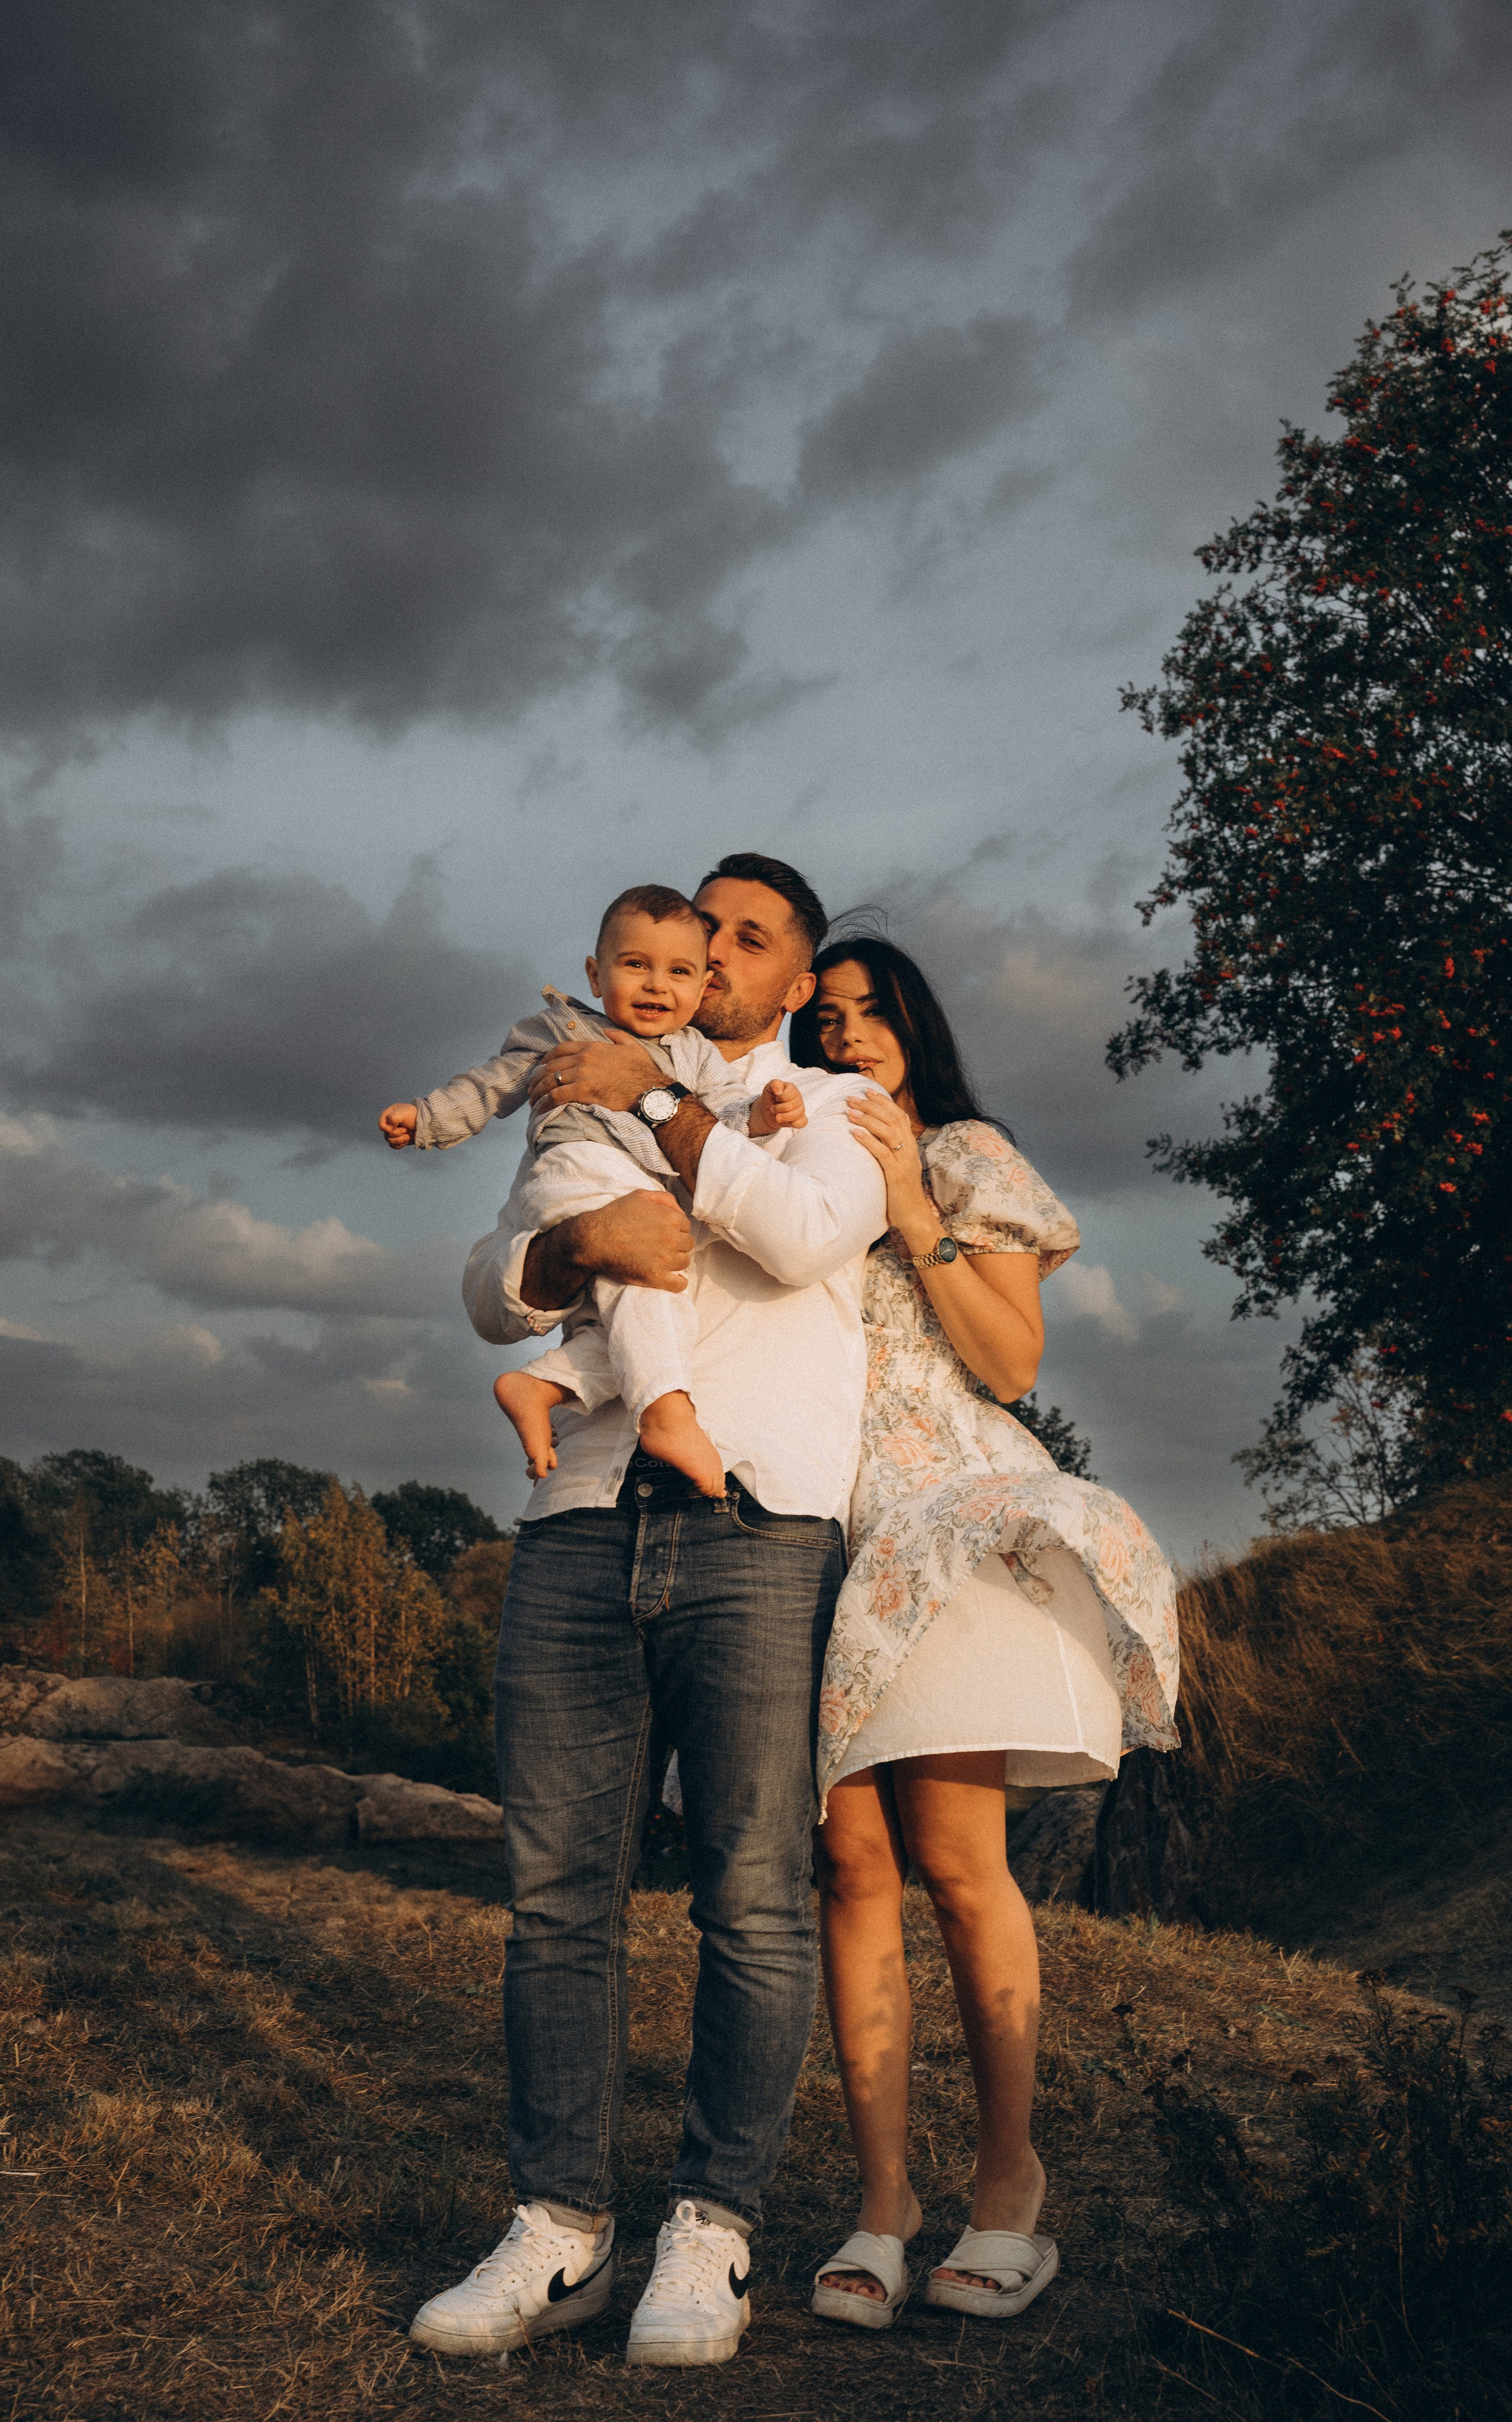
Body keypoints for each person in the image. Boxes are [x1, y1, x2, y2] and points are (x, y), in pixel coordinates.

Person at [408, 855, 888, 2369]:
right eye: (702, 932)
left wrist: (662, 1102)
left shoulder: (834, 1109)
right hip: (575, 1515)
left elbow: (797, 1240)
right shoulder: (593, 1074)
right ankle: (558, 2225)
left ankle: (710, 2224)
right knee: (556, 1893)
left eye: (751, 939)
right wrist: (574, 1249)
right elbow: (493, 1284)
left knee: (750, 1892)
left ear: (797, 976)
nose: (716, 957)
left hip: (755, 1521)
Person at [793, 937, 1178, 2329]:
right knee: (849, 1867)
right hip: (808, 1524)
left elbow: (1010, 1364)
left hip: (934, 1522)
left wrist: (910, 1205)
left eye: (870, 1012)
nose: (846, 1036)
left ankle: (1008, 2185)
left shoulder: (965, 1155)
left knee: (958, 1865)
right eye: (822, 1019)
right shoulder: (789, 1163)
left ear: (913, 1026)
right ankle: (883, 2201)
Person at [379, 883, 803, 1495]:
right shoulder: (565, 1028)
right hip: (579, 1166)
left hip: (644, 1188)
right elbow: (492, 1084)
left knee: (656, 1308)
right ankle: (667, 1414)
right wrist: (427, 1118)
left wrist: (760, 1115)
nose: (656, 985)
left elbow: (724, 1119)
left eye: (678, 971)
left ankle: (546, 1383)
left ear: (701, 983)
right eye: (636, 965)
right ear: (596, 975)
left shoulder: (694, 1054)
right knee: (651, 1284)